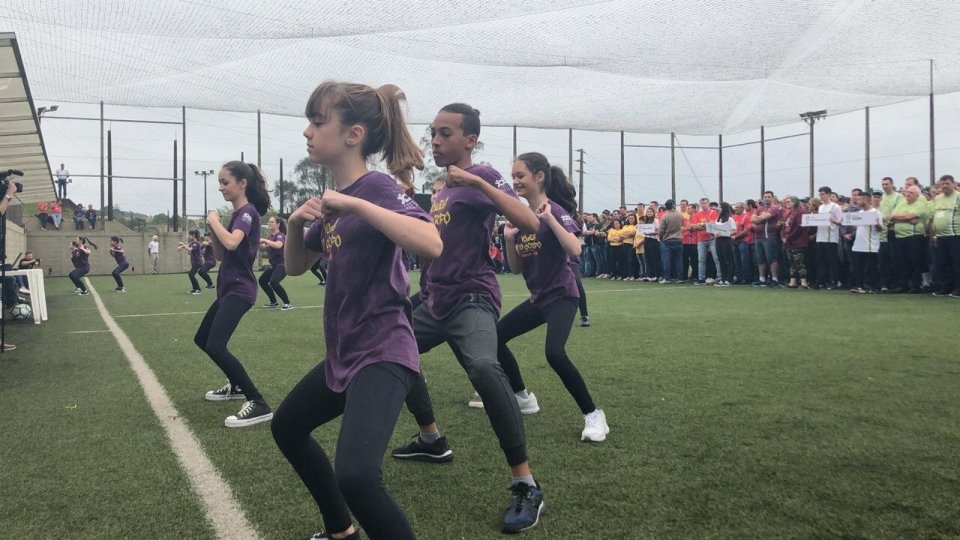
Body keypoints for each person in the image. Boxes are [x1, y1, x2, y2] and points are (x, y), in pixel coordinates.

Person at [272, 81, 441, 540]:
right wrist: (293, 225)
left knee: (358, 476)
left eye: (318, 121)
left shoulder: (376, 187)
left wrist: (357, 205)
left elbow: (431, 243)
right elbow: (294, 267)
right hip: (345, 351)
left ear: (354, 135)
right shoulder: (334, 199)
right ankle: (340, 531)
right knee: (287, 428)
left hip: (384, 350)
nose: (307, 131)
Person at [389, 103, 546, 534]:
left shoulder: (486, 176)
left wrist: (475, 179)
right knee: (391, 351)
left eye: (444, 134)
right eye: (433, 134)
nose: (435, 141)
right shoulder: (440, 189)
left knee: (482, 366)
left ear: (470, 141)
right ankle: (431, 439)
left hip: (472, 297)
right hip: (433, 299)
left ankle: (526, 484)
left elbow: (529, 222)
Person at [480, 151, 609, 443]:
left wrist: (550, 219)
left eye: (520, 176)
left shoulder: (555, 211)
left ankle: (593, 414)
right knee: (497, 337)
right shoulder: (522, 217)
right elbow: (514, 268)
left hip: (563, 295)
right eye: (513, 176)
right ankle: (523, 397)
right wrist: (510, 240)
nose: (515, 181)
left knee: (554, 353)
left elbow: (575, 250)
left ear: (539, 177)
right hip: (539, 298)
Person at [194, 161, 273, 428]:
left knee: (216, 344)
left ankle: (257, 401)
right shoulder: (237, 215)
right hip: (228, 290)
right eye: (220, 182)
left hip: (240, 291)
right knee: (202, 339)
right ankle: (237, 387)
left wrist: (215, 222)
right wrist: (214, 227)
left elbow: (232, 242)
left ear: (243, 184)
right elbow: (220, 253)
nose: (220, 188)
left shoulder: (247, 212)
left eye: (225, 182)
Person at [889, 185, 930, 293]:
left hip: (914, 236)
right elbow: (891, 217)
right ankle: (903, 285)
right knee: (902, 262)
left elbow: (908, 216)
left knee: (914, 262)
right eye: (907, 192)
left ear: (917, 195)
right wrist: (906, 219)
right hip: (899, 237)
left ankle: (915, 286)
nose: (907, 194)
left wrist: (901, 218)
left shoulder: (920, 205)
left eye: (911, 193)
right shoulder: (901, 203)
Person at [931, 175, 960, 298]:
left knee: (957, 263)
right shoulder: (937, 198)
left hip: (955, 235)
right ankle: (945, 287)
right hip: (941, 237)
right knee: (943, 263)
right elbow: (935, 216)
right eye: (942, 184)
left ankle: (958, 288)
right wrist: (935, 234)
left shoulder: (958, 197)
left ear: (953, 184)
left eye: (947, 183)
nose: (944, 186)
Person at [850, 191, 883, 293]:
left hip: (870, 245)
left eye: (861, 199)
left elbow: (880, 229)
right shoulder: (859, 213)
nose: (859, 201)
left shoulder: (875, 212)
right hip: (858, 244)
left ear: (868, 200)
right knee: (858, 266)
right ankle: (859, 285)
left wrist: (877, 223)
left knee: (870, 267)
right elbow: (856, 226)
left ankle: (871, 286)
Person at [258, 216, 292, 310]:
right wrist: (256, 241)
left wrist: (264, 240)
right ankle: (273, 302)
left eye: (272, 222)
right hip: (274, 265)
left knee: (274, 282)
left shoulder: (280, 236)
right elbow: (262, 248)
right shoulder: (270, 237)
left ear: (278, 224)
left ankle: (287, 303)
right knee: (262, 281)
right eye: (269, 222)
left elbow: (278, 245)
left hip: (282, 264)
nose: (269, 223)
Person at [780, 196, 810, 289]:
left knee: (799, 261)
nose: (787, 203)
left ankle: (804, 282)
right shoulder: (787, 214)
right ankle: (792, 282)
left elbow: (799, 228)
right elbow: (783, 226)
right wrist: (783, 237)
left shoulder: (800, 212)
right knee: (791, 262)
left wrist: (788, 237)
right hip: (788, 241)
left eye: (789, 202)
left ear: (795, 202)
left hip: (798, 240)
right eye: (786, 202)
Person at [659, 199, 683, 283]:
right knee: (678, 260)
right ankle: (680, 278)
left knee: (666, 260)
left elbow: (661, 230)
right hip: (678, 239)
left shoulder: (665, 216)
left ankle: (667, 278)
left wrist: (660, 237)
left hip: (667, 240)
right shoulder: (680, 215)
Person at [177, 230, 206, 295]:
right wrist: (181, 247)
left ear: (193, 235)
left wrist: (182, 244)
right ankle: (195, 289)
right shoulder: (193, 243)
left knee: (191, 274)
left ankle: (198, 289)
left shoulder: (196, 242)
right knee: (191, 275)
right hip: (195, 262)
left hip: (198, 262)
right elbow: (188, 246)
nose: (188, 237)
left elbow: (189, 249)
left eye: (189, 235)